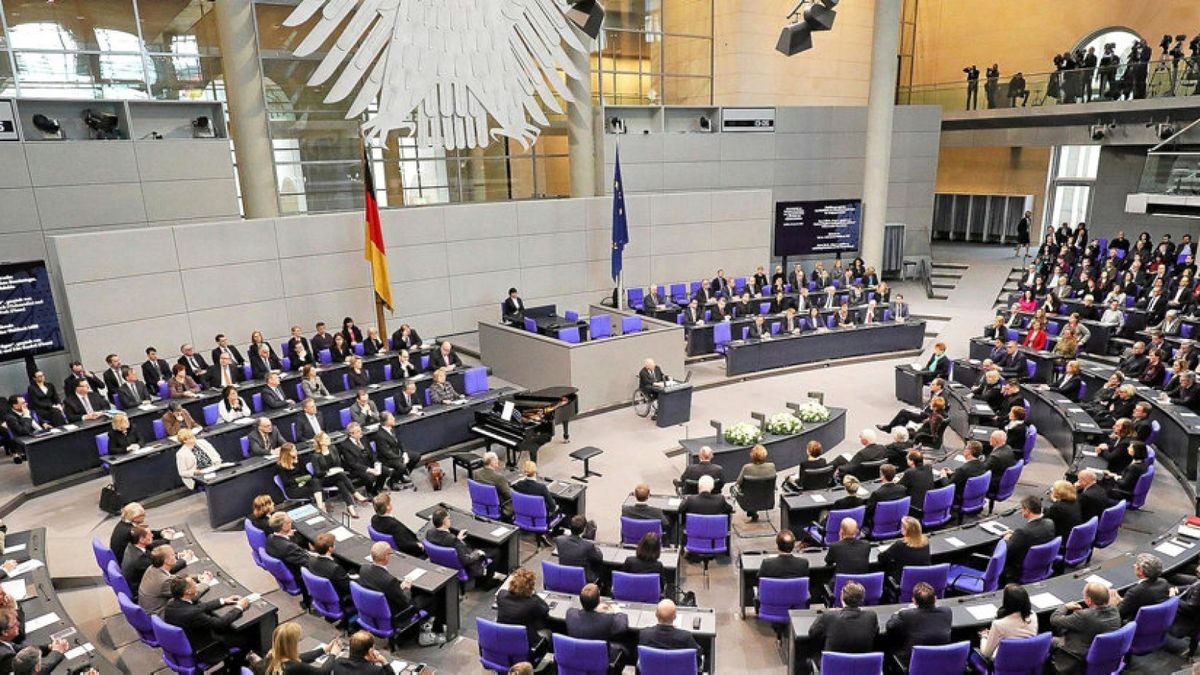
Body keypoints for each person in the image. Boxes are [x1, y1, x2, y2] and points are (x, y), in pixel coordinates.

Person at [163, 577, 250, 667]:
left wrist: (224, 601)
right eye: (194, 585)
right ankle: (237, 669)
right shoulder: (193, 614)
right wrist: (239, 607)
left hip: (184, 644)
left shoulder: (172, 603)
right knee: (244, 638)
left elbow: (200, 607)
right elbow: (220, 623)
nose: (196, 586)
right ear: (188, 592)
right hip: (204, 648)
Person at [1049, 582, 1121, 675]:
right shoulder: (1114, 609)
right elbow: (1093, 619)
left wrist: (1065, 606)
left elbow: (1054, 619)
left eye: (1084, 595)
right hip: (1103, 655)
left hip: (1079, 657)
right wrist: (1079, 616)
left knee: (1049, 640)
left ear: (1089, 600)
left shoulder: (1084, 616)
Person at [424, 508, 495, 587]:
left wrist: (458, 539)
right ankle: (487, 583)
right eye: (449, 518)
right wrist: (478, 553)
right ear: (445, 521)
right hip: (465, 565)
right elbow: (466, 560)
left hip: (443, 563)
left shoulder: (429, 533)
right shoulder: (452, 539)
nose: (450, 520)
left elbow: (444, 543)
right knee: (495, 551)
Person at [565, 583, 630, 668]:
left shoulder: (570, 614)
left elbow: (578, 610)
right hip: (600, 663)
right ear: (599, 600)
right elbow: (622, 627)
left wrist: (594, 609)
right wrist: (618, 611)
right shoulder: (607, 619)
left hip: (577, 658)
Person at [885, 581, 952, 662]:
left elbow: (890, 626)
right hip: (940, 661)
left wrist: (898, 613)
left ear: (914, 601)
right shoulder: (947, 611)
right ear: (935, 599)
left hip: (914, 662)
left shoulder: (906, 615)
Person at [139, 544, 210, 617]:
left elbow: (176, 579)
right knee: (196, 607)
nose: (175, 556)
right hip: (159, 614)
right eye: (173, 555)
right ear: (166, 560)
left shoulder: (152, 568)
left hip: (148, 608)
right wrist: (205, 583)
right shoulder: (165, 581)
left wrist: (197, 577)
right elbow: (187, 595)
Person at [809, 581, 879, 653]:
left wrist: (829, 612)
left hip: (834, 664)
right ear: (862, 599)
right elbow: (875, 633)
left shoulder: (828, 616)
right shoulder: (871, 616)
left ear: (842, 597)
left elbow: (812, 633)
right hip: (863, 663)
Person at [1003, 495, 1057, 581]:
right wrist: (1015, 536)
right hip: (1042, 565)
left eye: (1022, 509)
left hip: (1018, 570)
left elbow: (1006, 551)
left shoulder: (1022, 532)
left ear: (1027, 510)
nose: (1021, 512)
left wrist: (1006, 539)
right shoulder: (1050, 523)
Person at [978, 584, 1037, 660]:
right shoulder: (1033, 615)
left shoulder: (999, 624)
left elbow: (986, 653)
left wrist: (984, 637)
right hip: (1027, 659)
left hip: (1004, 663)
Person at [122, 524, 188, 591]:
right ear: (141, 539)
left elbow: (152, 546)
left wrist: (175, 556)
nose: (152, 536)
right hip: (141, 590)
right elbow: (164, 569)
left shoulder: (133, 546)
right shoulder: (140, 559)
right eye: (149, 535)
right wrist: (185, 560)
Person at [496, 568, 550, 647]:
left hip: (503, 638)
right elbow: (545, 609)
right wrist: (533, 595)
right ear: (530, 588)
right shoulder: (533, 602)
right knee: (549, 633)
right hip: (526, 642)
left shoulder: (501, 595)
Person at [638, 600, 701, 667]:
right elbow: (697, 660)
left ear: (656, 614)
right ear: (675, 617)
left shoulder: (645, 634)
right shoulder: (686, 637)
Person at [262, 622, 341, 675]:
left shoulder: (272, 655)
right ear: (291, 644)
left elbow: (300, 657)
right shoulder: (293, 667)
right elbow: (322, 672)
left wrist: (325, 649)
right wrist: (333, 654)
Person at [336, 424, 390, 496]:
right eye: (358, 431)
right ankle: (369, 492)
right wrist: (368, 469)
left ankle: (377, 488)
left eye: (360, 430)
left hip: (369, 463)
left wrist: (376, 463)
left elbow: (372, 453)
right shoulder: (345, 445)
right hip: (356, 469)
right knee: (370, 477)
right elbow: (352, 463)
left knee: (385, 471)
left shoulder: (364, 439)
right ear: (351, 434)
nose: (361, 432)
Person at [1116, 553, 1170, 623]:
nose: (1134, 565)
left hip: (1138, 624)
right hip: (1157, 621)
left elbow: (1118, 614)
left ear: (1141, 571)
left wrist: (1115, 603)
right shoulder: (1164, 582)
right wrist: (1125, 600)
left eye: (1136, 564)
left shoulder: (1135, 592)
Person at [306, 532, 352, 611]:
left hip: (321, 594)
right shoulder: (335, 568)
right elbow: (348, 587)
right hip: (338, 598)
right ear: (330, 548)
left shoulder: (311, 560)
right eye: (334, 544)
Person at [730, 444, 776, 521]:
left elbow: (738, 482)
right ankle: (753, 510)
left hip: (748, 501)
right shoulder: (771, 466)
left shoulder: (747, 468)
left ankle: (752, 511)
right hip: (767, 499)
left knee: (733, 488)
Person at [879, 517, 930, 585]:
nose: (901, 528)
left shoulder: (900, 545)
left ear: (908, 531)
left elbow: (881, 557)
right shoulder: (926, 541)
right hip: (924, 579)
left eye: (903, 527)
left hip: (905, 580)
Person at [277, 443, 326, 512]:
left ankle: (321, 508)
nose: (296, 451)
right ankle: (322, 509)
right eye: (294, 450)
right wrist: (301, 479)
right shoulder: (281, 466)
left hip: (303, 484)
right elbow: (286, 482)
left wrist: (304, 480)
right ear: (287, 453)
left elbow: (307, 474)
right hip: (293, 489)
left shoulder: (299, 459)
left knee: (315, 482)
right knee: (317, 489)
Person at [557, 515, 603, 583]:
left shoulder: (559, 540)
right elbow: (599, 557)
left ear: (570, 527)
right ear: (584, 529)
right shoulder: (588, 546)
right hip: (584, 581)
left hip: (565, 577)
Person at [372, 412, 413, 488]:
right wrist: (401, 458)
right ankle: (391, 481)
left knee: (416, 456)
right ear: (385, 422)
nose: (394, 419)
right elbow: (386, 452)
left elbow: (400, 442)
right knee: (402, 466)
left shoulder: (392, 428)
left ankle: (401, 476)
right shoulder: (379, 435)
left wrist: (405, 453)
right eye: (391, 418)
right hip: (387, 459)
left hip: (398, 454)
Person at [474, 451, 514, 518]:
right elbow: (509, 495)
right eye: (496, 459)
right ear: (492, 461)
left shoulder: (476, 474)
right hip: (499, 506)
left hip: (483, 503)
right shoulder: (499, 478)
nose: (497, 461)